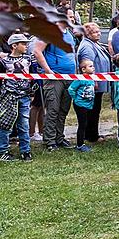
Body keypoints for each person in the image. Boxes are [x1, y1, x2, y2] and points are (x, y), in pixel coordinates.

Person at [32, 11, 77, 151]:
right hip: (54, 78)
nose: (73, 18)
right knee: (53, 109)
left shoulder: (69, 34)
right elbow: (37, 51)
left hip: (69, 77)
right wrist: (48, 70)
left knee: (64, 109)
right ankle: (49, 141)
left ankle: (59, 137)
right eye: (70, 16)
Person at [0, 33, 34, 162]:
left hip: (24, 96)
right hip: (9, 97)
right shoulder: (4, 61)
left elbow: (34, 74)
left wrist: (32, 91)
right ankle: (2, 150)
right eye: (23, 44)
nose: (26, 46)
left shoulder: (28, 59)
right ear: (14, 46)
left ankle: (26, 150)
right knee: (5, 124)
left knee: (24, 125)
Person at [76, 22, 111, 143]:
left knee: (95, 109)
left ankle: (92, 133)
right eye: (95, 32)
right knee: (92, 110)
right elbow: (87, 65)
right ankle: (91, 135)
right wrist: (93, 81)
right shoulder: (87, 46)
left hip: (99, 82)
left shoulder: (94, 44)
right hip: (93, 84)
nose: (99, 34)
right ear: (88, 34)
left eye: (99, 31)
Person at [67, 60, 96, 152]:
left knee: (86, 123)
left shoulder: (91, 78)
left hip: (88, 105)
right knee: (82, 124)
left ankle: (82, 142)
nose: (93, 68)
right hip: (80, 105)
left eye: (93, 66)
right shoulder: (80, 79)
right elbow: (71, 89)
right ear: (83, 69)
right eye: (90, 66)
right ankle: (80, 145)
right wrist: (76, 98)